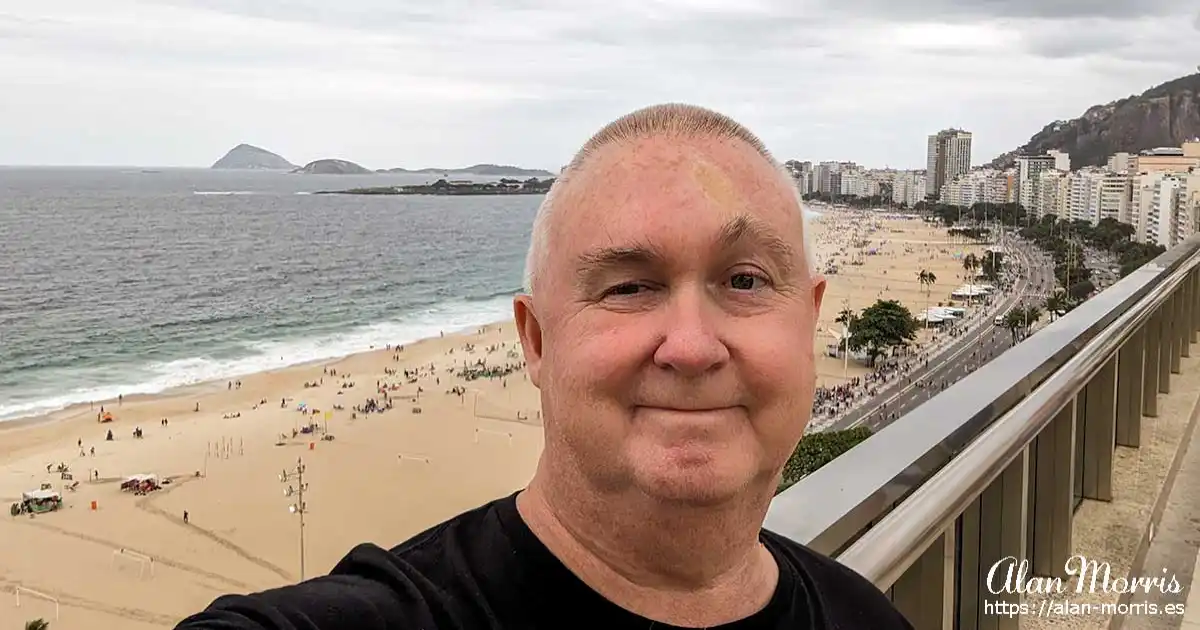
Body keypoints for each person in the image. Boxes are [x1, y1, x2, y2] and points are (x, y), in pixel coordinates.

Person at [175, 104, 912, 629]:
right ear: (535, 340)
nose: (691, 346)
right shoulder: (396, 612)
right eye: (629, 286)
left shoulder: (869, 616)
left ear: (809, 323)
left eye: (745, 281)